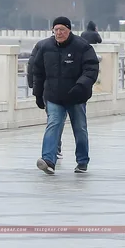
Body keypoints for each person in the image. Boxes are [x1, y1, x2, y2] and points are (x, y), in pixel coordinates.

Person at [28, 16, 99, 175]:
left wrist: (81, 86)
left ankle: (82, 161)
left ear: (69, 30)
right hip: (54, 96)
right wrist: (38, 95)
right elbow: (38, 72)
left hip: (76, 96)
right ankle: (48, 160)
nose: (59, 33)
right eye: (56, 30)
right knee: (53, 125)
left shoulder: (82, 47)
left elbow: (91, 69)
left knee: (80, 128)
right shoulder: (45, 47)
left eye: (62, 30)